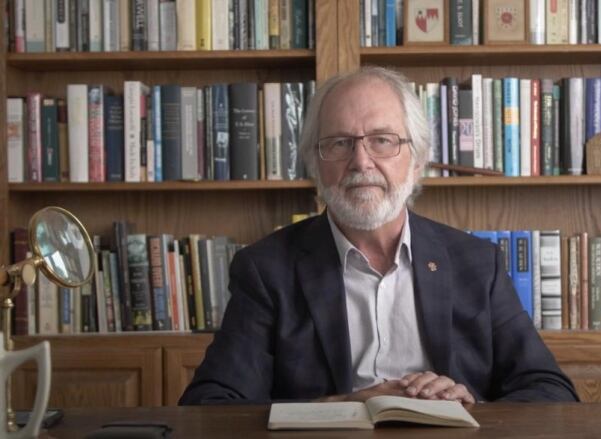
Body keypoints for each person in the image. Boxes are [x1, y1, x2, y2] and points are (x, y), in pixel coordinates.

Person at [179, 67, 578, 405]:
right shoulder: (266, 270)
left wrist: (469, 409)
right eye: (339, 143)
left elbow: (551, 392)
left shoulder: (477, 264)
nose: (361, 162)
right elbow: (210, 406)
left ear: (417, 160)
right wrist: (345, 408)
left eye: (382, 141)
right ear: (316, 165)